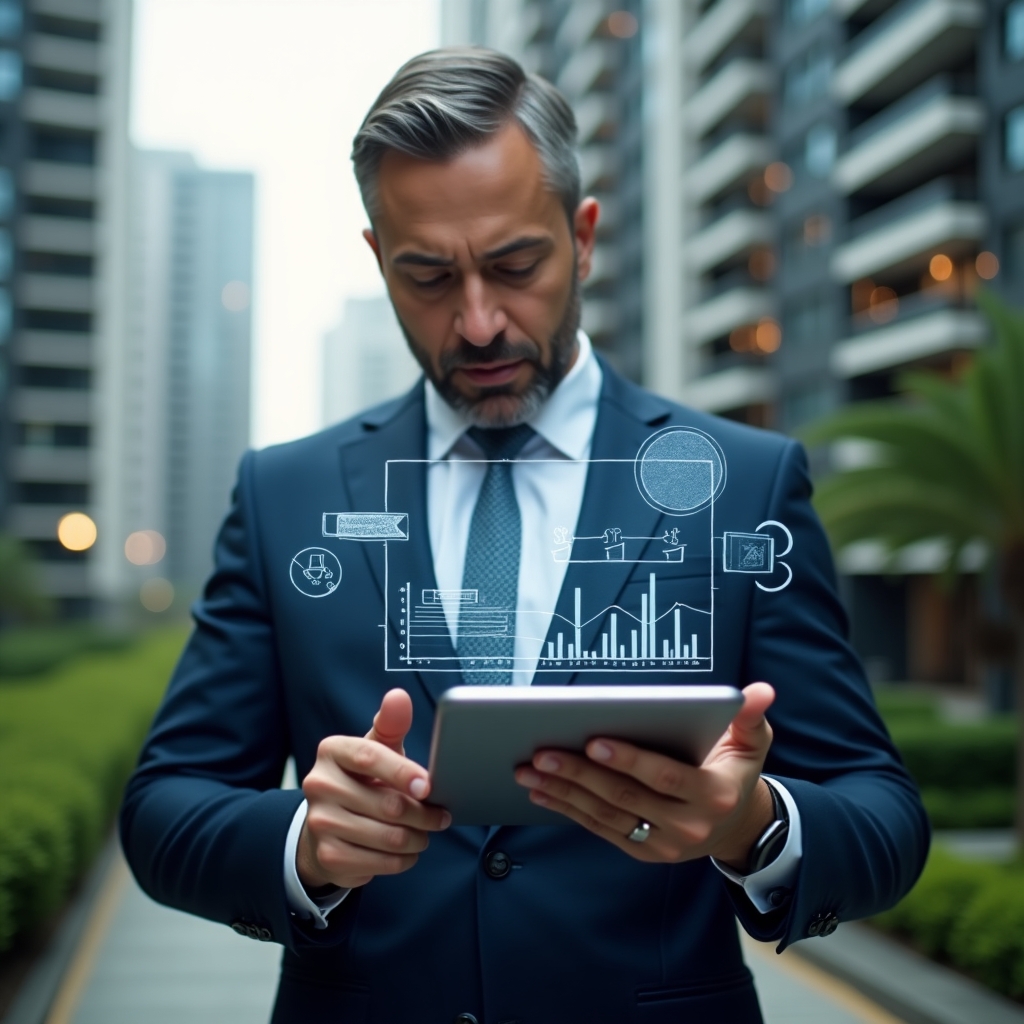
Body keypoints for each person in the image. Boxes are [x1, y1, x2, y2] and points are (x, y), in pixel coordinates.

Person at [120, 48, 929, 1024]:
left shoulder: (744, 485)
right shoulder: (283, 493)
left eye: (514, 266)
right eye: (427, 276)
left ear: (582, 239)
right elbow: (165, 808)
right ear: (378, 258)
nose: (476, 321)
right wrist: (305, 842)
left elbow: (883, 815)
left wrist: (753, 826)